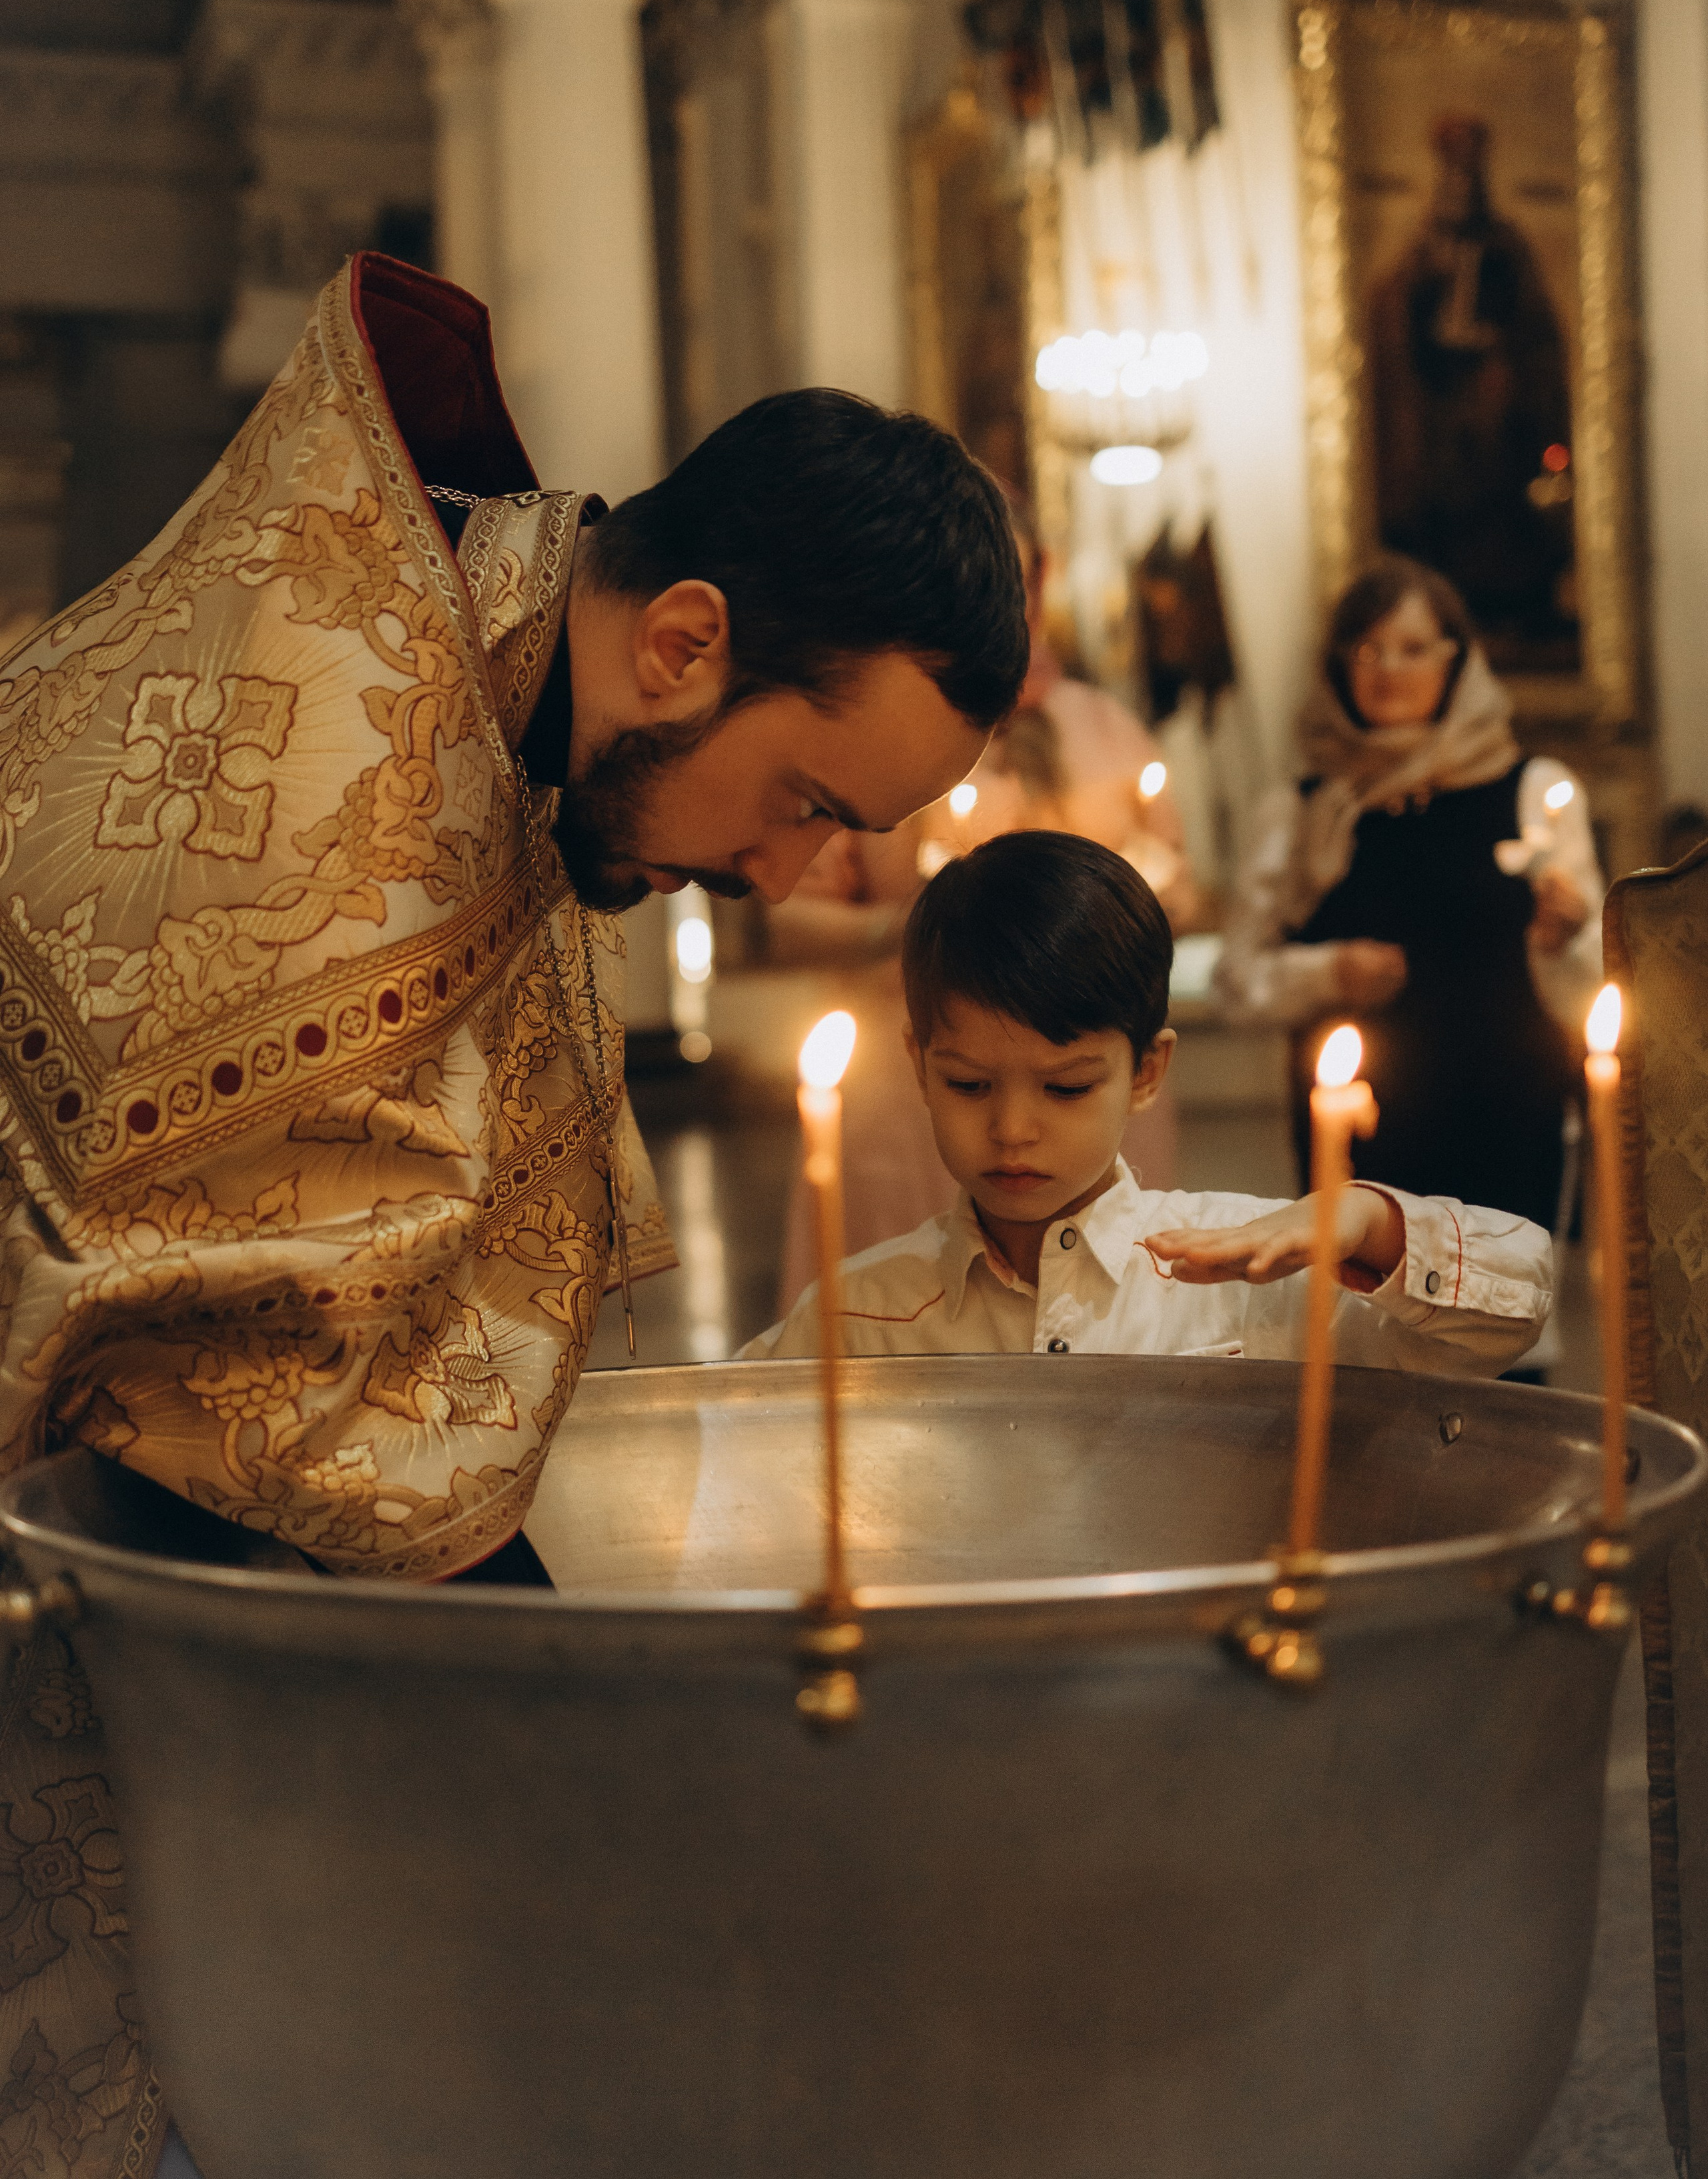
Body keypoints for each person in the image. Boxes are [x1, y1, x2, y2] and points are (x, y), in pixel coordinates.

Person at [0, 252, 1028, 2179]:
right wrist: (615, 1750)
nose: (789, 875)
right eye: (808, 799)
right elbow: (271, 1392)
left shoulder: (476, 661)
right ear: (686, 642)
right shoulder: (330, 786)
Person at [744, 832, 1547, 1372]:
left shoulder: (1241, 1277)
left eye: (1066, 1086)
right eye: (968, 1084)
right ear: (919, 1065)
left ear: (1146, 1071)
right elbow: (730, 1450)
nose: (1012, 1129)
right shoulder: (862, 1317)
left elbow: (1514, 1313)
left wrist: (1369, 1223)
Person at [771, 497, 1196, 1309]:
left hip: (1077, 1066)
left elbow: (1178, 886)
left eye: (1015, 576)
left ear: (1040, 583)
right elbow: (788, 915)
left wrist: (1145, 900)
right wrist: (914, 923)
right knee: (894, 1318)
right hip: (922, 1085)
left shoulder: (1104, 729)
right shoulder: (868, 731)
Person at [1214, 556, 1601, 1229]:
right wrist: (1329, 972)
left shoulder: (1533, 791)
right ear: (1338, 666)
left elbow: (1595, 985)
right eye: (1368, 650)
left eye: (1414, 648)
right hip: (1363, 1131)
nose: (1389, 669)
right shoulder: (1302, 810)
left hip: (1510, 1114)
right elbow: (1235, 979)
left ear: (1456, 660)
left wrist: (1560, 940)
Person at [1369, 112, 1575, 663]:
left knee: (1497, 494)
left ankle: (1508, 601)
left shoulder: (1507, 246)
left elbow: (1536, 326)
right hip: (1439, 395)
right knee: (1444, 492)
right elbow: (1396, 315)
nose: (1462, 182)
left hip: (1497, 398)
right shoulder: (1422, 249)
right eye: (1453, 170)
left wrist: (1506, 364)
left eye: (1470, 169)